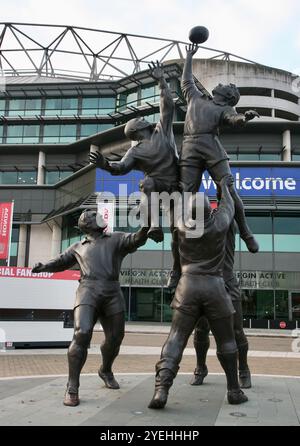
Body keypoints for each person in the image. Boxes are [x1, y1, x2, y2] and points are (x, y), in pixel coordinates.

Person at [32, 209, 151, 407]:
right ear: (87, 224)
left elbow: (137, 239)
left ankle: (105, 369)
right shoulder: (78, 247)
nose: (100, 217)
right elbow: (60, 262)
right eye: (94, 216)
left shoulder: (117, 239)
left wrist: (146, 225)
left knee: (115, 338)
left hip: (112, 291)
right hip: (88, 290)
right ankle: (72, 386)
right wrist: (44, 266)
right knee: (82, 333)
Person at [148, 175, 248, 409]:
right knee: (227, 340)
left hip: (188, 287)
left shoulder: (182, 226)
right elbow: (228, 206)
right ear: (209, 212)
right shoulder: (219, 224)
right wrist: (223, 186)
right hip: (214, 286)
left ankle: (161, 390)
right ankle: (234, 390)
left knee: (175, 338)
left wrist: (182, 187)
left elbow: (178, 206)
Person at [89, 61, 180, 288]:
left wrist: (161, 81)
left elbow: (166, 104)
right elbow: (121, 168)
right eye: (140, 120)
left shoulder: (162, 132)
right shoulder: (135, 150)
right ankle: (154, 225)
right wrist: (106, 165)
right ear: (139, 127)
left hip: (179, 185)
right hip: (159, 187)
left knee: (179, 234)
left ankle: (177, 269)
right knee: (146, 183)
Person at [179, 43, 259, 261]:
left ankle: (246, 233)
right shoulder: (195, 97)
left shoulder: (225, 109)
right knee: (183, 196)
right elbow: (185, 81)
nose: (222, 84)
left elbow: (234, 120)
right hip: (189, 149)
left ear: (229, 95)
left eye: (227, 85)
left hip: (212, 148)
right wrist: (188, 57)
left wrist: (245, 117)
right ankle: (182, 258)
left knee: (228, 191)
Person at [191, 217, 251, 389]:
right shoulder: (196, 229)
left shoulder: (227, 224)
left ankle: (244, 369)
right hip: (203, 284)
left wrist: (223, 188)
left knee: (237, 330)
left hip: (226, 283)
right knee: (201, 330)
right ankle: (200, 367)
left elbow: (231, 201)